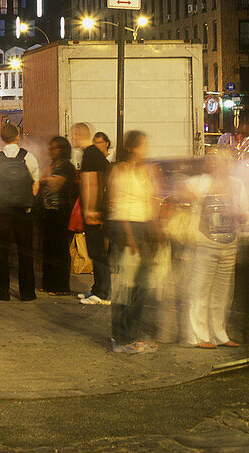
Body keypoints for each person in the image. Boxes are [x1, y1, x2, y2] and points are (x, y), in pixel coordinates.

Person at [181, 147, 247, 349]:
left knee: (222, 292)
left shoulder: (236, 184)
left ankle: (219, 334)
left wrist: (237, 213)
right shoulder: (201, 182)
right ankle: (199, 335)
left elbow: (244, 213)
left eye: (222, 160)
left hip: (229, 243)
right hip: (204, 242)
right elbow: (180, 191)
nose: (217, 163)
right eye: (214, 160)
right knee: (200, 290)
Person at [108, 130, 158, 354]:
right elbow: (118, 205)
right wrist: (130, 239)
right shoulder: (120, 170)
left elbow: (149, 200)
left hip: (143, 229)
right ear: (131, 147)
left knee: (140, 287)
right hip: (127, 230)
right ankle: (121, 337)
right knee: (125, 289)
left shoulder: (144, 171)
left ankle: (133, 334)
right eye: (142, 145)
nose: (145, 149)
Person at [0, 123, 40, 301]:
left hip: (1, 212)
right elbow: (36, 183)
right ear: (18, 137)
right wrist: (27, 201)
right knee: (25, 252)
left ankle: (1, 291)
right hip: (23, 211)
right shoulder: (28, 157)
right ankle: (27, 292)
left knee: (2, 252)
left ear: (1, 138)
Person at [72, 122, 112, 305]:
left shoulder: (89, 154)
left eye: (73, 135)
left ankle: (103, 294)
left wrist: (89, 210)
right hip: (101, 209)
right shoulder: (95, 154)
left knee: (97, 252)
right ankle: (97, 289)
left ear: (79, 135)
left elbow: (90, 183)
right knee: (96, 251)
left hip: (96, 211)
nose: (72, 139)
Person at [40, 135, 77, 295]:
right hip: (48, 211)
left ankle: (61, 286)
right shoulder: (52, 165)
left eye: (54, 147)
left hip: (60, 211)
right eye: (50, 147)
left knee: (59, 249)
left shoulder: (67, 166)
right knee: (47, 248)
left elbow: (55, 185)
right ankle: (48, 283)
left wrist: (45, 179)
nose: (50, 150)